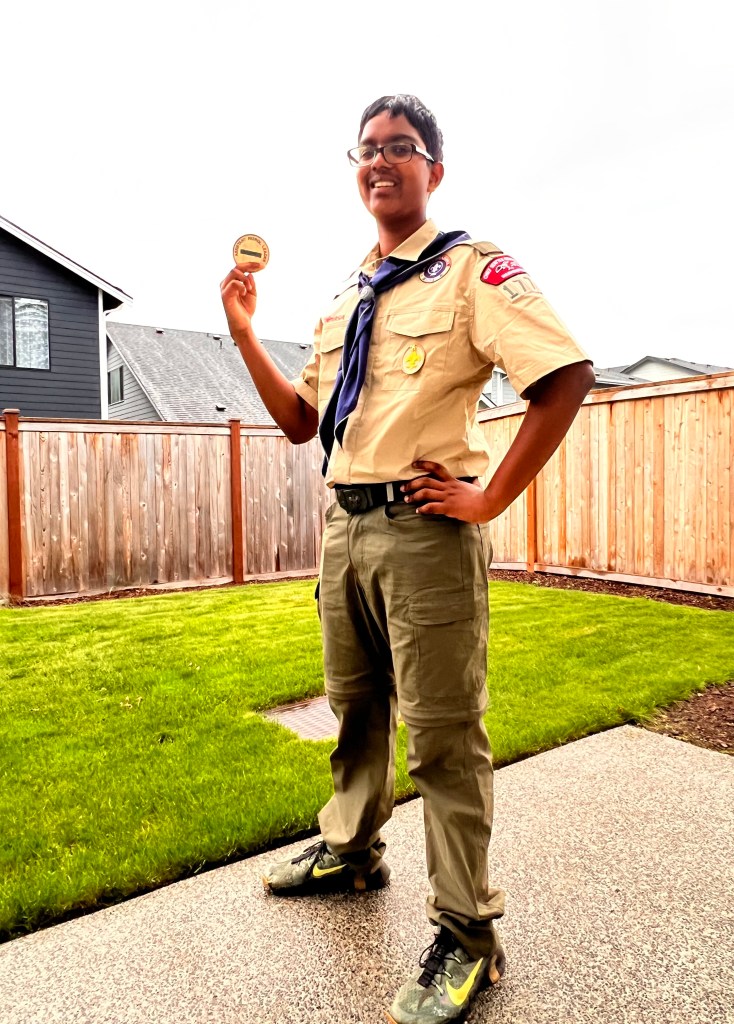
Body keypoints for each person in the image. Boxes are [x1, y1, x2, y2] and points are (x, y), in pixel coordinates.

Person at [220, 94, 594, 1024]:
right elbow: (301, 419)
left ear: (435, 169)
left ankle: (469, 934)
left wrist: (489, 497)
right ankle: (353, 852)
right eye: (367, 149)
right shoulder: (348, 296)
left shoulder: (471, 269)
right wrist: (243, 334)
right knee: (354, 707)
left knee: (443, 738)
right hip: (344, 526)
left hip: (425, 533)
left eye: (401, 146)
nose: (380, 161)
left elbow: (564, 376)